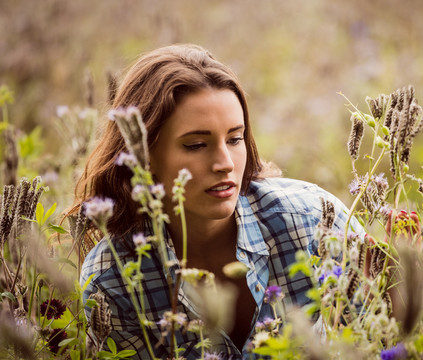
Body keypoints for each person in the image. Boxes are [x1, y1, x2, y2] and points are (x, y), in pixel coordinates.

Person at [72, 44, 364, 359]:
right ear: (144, 154)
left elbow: (389, 337)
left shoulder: (313, 220)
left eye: (235, 139)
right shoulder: (114, 280)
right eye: (197, 144)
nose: (225, 162)